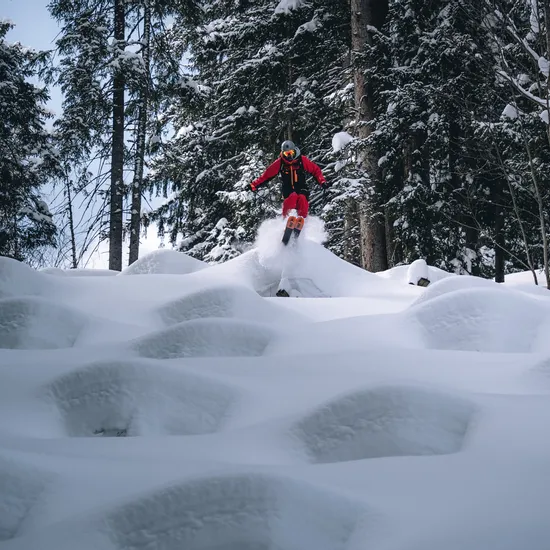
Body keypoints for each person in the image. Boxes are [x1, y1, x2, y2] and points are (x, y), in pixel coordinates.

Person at [250, 140, 329, 218]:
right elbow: (266, 175)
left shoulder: (301, 160)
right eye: (286, 153)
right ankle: (287, 218)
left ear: (294, 151)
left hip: (301, 187)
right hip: (288, 189)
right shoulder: (280, 163)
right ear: (283, 153)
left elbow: (315, 170)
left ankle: (302, 219)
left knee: (302, 198)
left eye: (290, 153)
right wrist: (253, 185)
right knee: (292, 197)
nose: (289, 156)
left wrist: (322, 182)